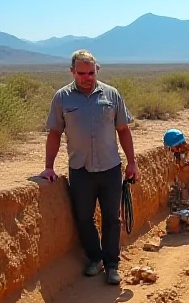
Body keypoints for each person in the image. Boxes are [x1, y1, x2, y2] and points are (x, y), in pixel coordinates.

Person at [39, 50, 139, 285]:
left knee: (112, 219)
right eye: (81, 73)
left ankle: (112, 265)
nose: (87, 77)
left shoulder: (112, 95)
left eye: (91, 72)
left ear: (98, 70)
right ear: (72, 71)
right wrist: (48, 167)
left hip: (110, 168)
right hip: (80, 170)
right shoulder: (62, 98)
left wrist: (132, 162)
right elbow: (54, 133)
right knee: (84, 218)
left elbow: (123, 131)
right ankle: (96, 258)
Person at [164, 129, 189, 205]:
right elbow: (173, 170)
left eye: (171, 148)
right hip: (181, 184)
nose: (170, 150)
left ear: (178, 145)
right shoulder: (175, 155)